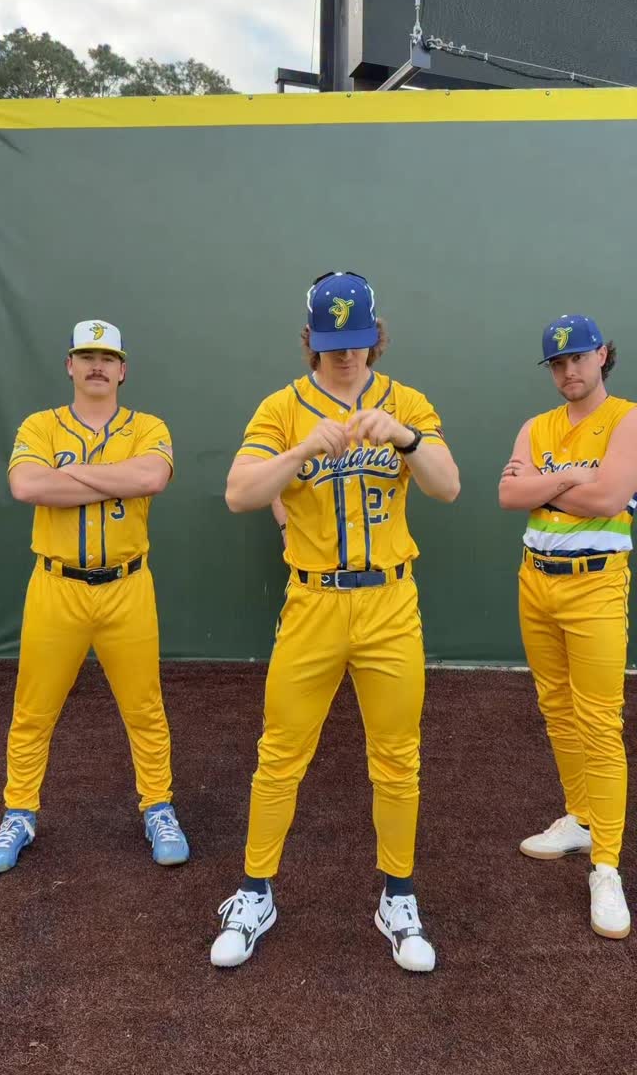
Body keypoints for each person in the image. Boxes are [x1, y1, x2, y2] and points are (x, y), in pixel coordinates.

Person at [211, 270, 460, 972]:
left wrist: (406, 438)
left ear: (376, 337)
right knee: (280, 752)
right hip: (314, 601)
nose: (345, 353)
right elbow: (238, 494)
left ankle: (398, 895)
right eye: (330, 341)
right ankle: (255, 891)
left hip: (390, 602)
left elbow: (448, 486)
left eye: (356, 339)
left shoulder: (407, 401)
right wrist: (298, 453)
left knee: (398, 756)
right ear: (309, 340)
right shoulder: (282, 407)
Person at [0, 320, 189, 872]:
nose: (97, 365)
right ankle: (19, 811)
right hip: (55, 586)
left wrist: (71, 475)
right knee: (32, 710)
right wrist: (112, 475)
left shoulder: (148, 426)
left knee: (144, 708)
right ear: (70, 365)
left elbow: (152, 478)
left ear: (123, 370)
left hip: (127, 586)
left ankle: (157, 806)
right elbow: (26, 485)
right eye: (86, 356)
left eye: (107, 357)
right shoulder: (40, 425)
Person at [499, 314, 637, 939]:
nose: (568, 371)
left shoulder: (627, 419)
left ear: (602, 355)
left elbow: (607, 500)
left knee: (599, 721)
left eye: (578, 358)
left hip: (596, 583)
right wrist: (570, 479)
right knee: (555, 706)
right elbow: (508, 496)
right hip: (536, 579)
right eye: (557, 363)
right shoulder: (536, 426)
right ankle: (580, 818)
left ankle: (606, 865)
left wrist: (541, 486)